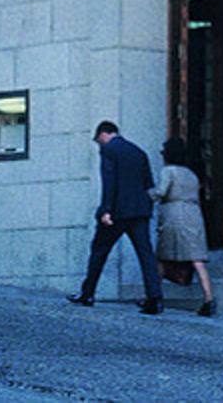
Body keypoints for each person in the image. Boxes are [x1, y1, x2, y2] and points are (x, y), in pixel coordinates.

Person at [68, 121, 164, 314]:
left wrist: (105, 210)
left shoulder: (109, 150)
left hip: (118, 212)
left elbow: (108, 181)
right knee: (145, 254)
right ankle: (155, 298)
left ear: (103, 134)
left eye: (98, 141)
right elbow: (148, 184)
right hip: (139, 211)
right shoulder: (139, 152)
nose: (99, 145)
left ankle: (88, 293)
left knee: (99, 251)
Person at [150, 138, 216, 317]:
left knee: (162, 258)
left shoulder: (168, 171)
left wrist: (147, 194)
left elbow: (160, 192)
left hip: (174, 215)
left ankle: (154, 296)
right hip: (194, 215)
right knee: (197, 259)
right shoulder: (190, 174)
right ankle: (209, 299)